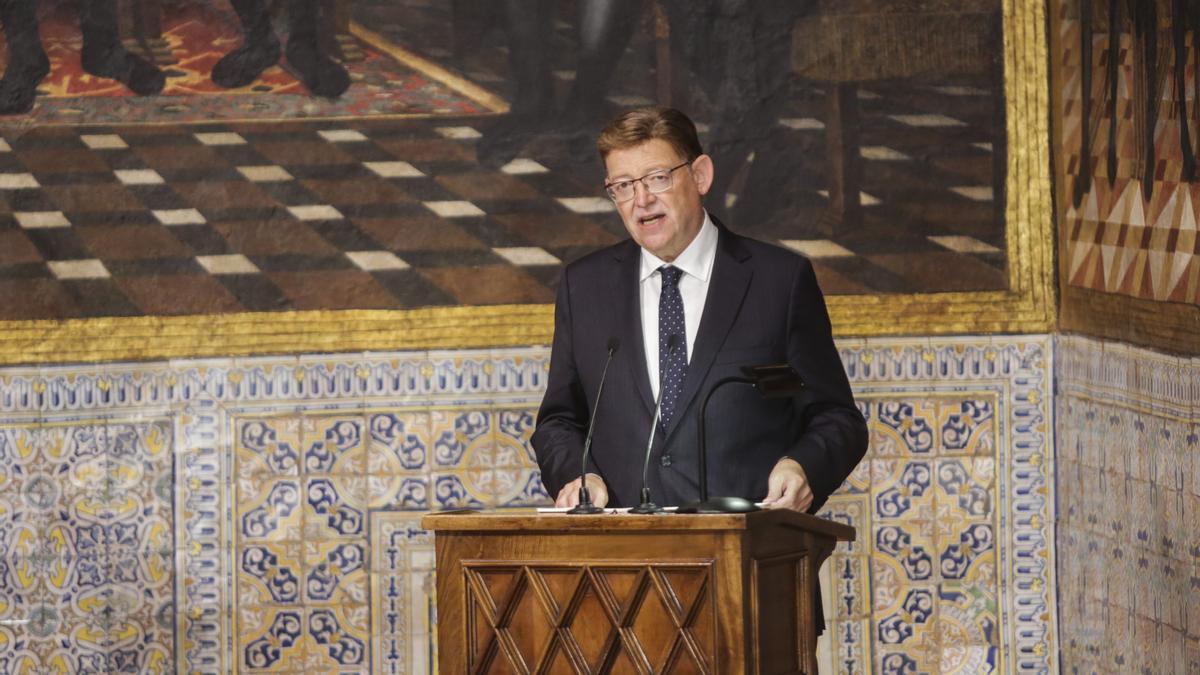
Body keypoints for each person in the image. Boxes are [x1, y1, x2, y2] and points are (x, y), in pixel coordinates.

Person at [532, 106, 867, 515]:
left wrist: (801, 467)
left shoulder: (779, 281)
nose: (642, 200)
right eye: (622, 186)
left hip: (749, 556)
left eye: (658, 178)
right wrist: (579, 477)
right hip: (621, 561)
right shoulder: (584, 287)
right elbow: (558, 423)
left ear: (700, 176)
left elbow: (836, 418)